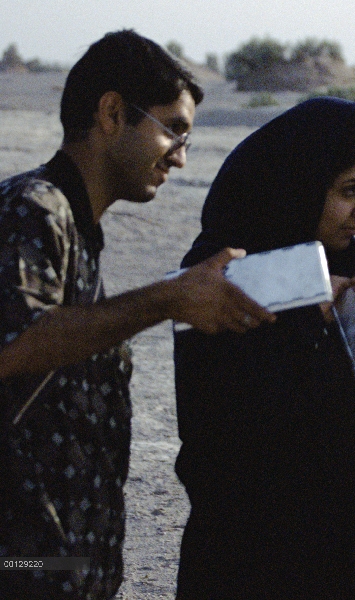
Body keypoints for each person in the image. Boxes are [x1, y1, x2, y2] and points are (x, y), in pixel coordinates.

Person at [0, 30, 274, 599]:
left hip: (57, 566)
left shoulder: (79, 230)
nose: (180, 154)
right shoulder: (33, 208)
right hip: (19, 567)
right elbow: (17, 344)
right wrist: (167, 299)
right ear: (111, 112)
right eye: (172, 128)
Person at [172, 97, 355, 600]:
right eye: (349, 191)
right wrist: (303, 324)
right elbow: (224, 434)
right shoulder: (218, 278)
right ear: (297, 186)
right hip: (256, 566)